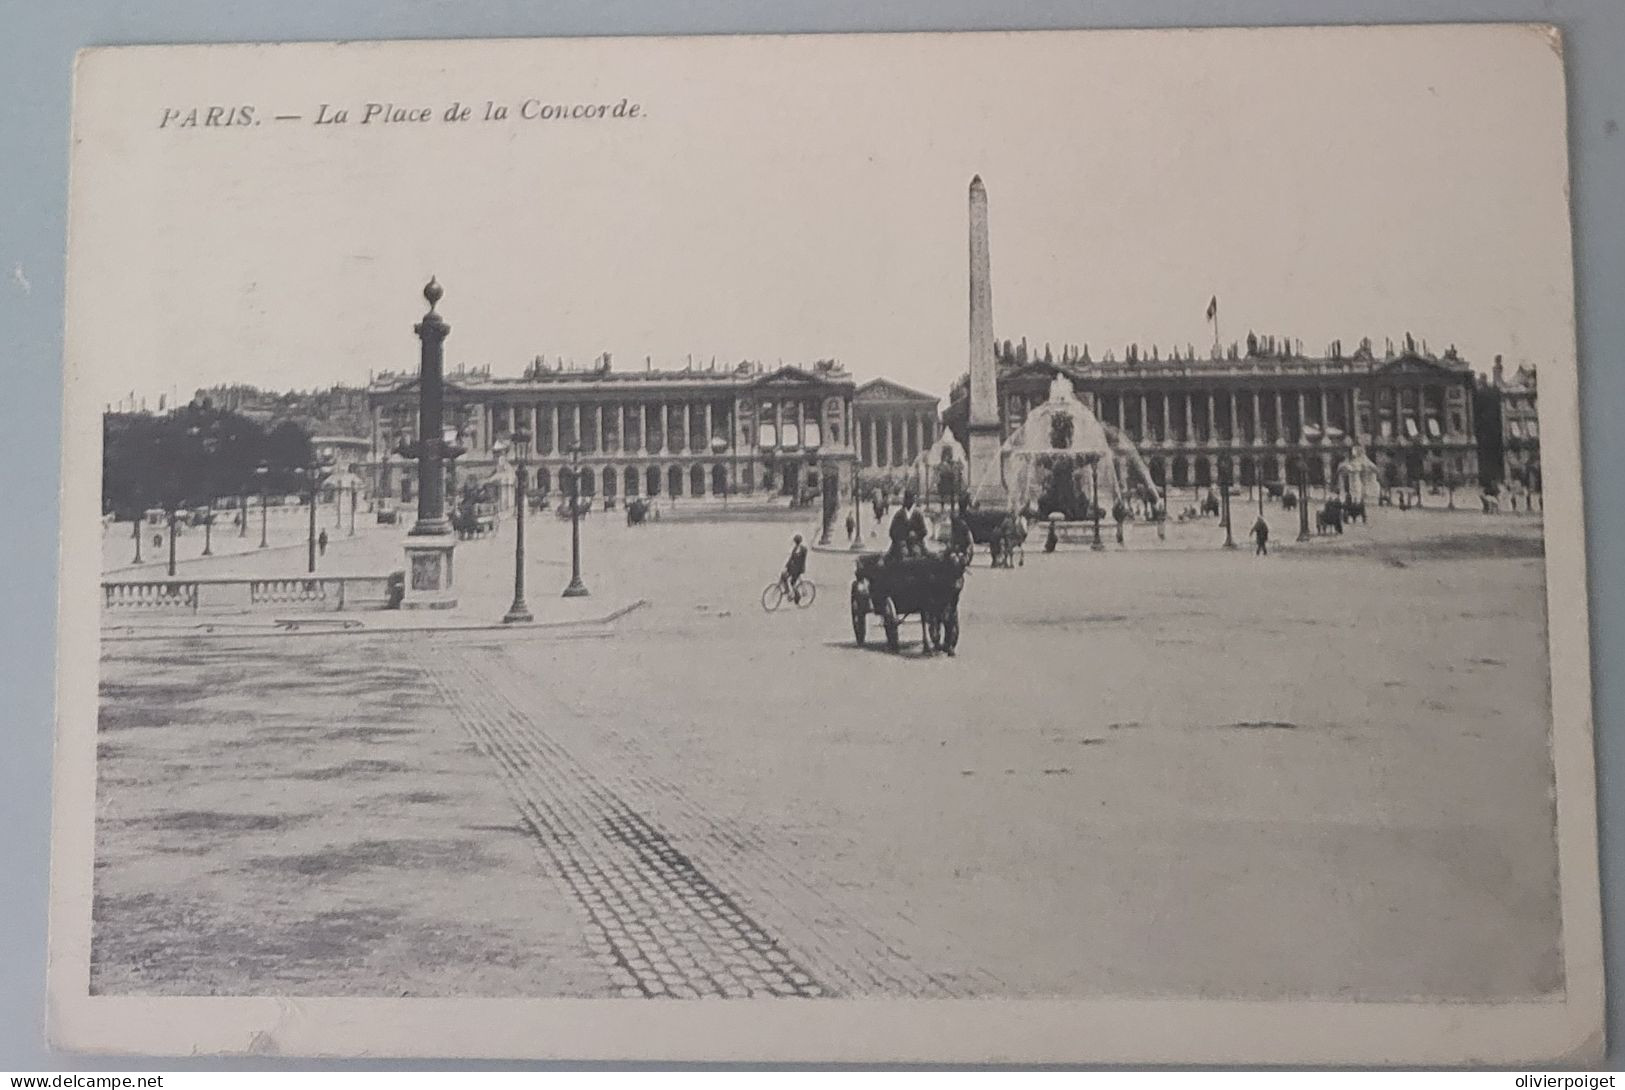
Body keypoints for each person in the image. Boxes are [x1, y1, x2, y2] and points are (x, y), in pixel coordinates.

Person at [887, 490, 929, 561]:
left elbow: (924, 531)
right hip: (901, 543)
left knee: (917, 553)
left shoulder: (918, 514)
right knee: (903, 553)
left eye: (912, 499)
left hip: (916, 542)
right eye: (908, 499)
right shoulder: (899, 515)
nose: (911, 502)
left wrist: (916, 535)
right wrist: (902, 538)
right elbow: (892, 532)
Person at [780, 534, 809, 603]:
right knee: (783, 576)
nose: (795, 543)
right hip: (792, 568)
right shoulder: (795, 548)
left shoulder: (803, 549)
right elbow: (791, 558)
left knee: (792, 582)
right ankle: (787, 590)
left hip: (798, 569)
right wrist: (786, 566)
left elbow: (802, 561)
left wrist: (800, 569)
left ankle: (797, 596)